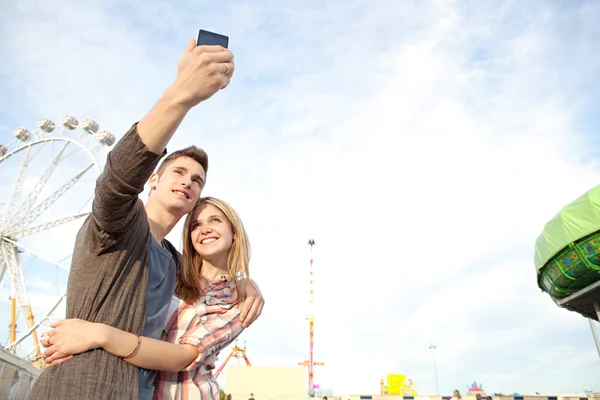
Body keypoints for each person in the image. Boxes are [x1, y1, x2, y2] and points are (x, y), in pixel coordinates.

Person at [30, 38, 265, 400]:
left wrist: (244, 283)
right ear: (152, 180)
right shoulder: (119, 224)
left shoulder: (173, 261)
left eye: (197, 181)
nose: (188, 181)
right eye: (178, 172)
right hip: (85, 388)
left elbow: (208, 286)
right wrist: (180, 96)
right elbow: (118, 180)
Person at [42, 197, 254, 399]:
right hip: (130, 388)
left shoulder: (239, 301)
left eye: (215, 220)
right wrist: (69, 336)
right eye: (195, 225)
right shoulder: (170, 269)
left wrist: (99, 335)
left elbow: (182, 356)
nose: (204, 229)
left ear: (234, 232)